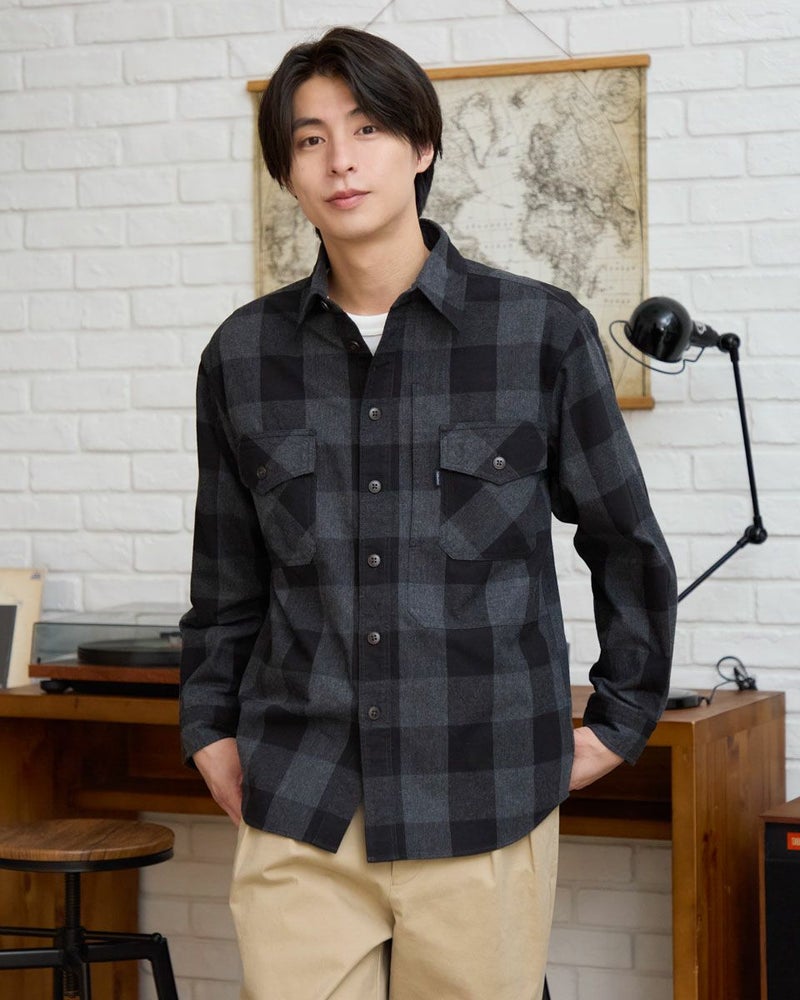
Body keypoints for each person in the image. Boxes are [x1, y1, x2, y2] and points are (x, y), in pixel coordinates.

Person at [180, 25, 676, 1000]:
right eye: (311, 138)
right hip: (300, 799)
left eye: (366, 128)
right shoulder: (242, 355)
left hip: (482, 794)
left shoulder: (539, 333)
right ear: (287, 172)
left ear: (421, 145)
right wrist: (208, 727)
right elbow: (225, 575)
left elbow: (624, 546)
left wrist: (618, 724)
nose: (340, 159)